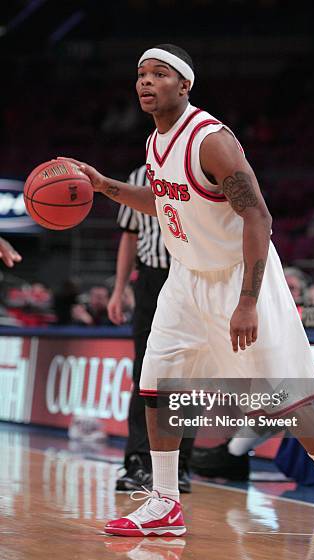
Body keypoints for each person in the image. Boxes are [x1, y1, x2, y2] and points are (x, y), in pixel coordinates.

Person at [59, 43, 314, 546]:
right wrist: (104, 186)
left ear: (184, 85)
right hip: (185, 277)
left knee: (280, 396)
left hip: (237, 276)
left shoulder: (210, 140)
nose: (145, 82)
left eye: (159, 74)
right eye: (141, 74)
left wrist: (247, 300)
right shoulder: (153, 143)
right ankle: (164, 501)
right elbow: (162, 205)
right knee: (158, 385)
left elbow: (259, 217)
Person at [194, 307, 314, 490]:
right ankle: (232, 453)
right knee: (290, 395)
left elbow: (307, 372)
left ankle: (232, 454)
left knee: (294, 397)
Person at [108, 165, 193, 493]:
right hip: (151, 279)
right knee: (145, 371)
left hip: (190, 276)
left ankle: (181, 465)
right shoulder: (135, 177)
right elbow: (129, 238)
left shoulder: (194, 169)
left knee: (188, 374)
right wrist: (118, 289)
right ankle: (138, 462)